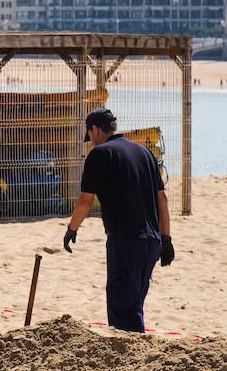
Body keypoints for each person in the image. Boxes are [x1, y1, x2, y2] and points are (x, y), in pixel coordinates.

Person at [63, 108, 174, 333]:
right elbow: (162, 198)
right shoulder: (145, 153)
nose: (91, 141)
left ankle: (133, 353)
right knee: (135, 304)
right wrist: (166, 239)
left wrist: (72, 229)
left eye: (90, 136)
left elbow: (85, 200)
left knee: (123, 311)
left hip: (125, 241)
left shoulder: (100, 154)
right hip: (151, 242)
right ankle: (139, 347)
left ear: (95, 129)